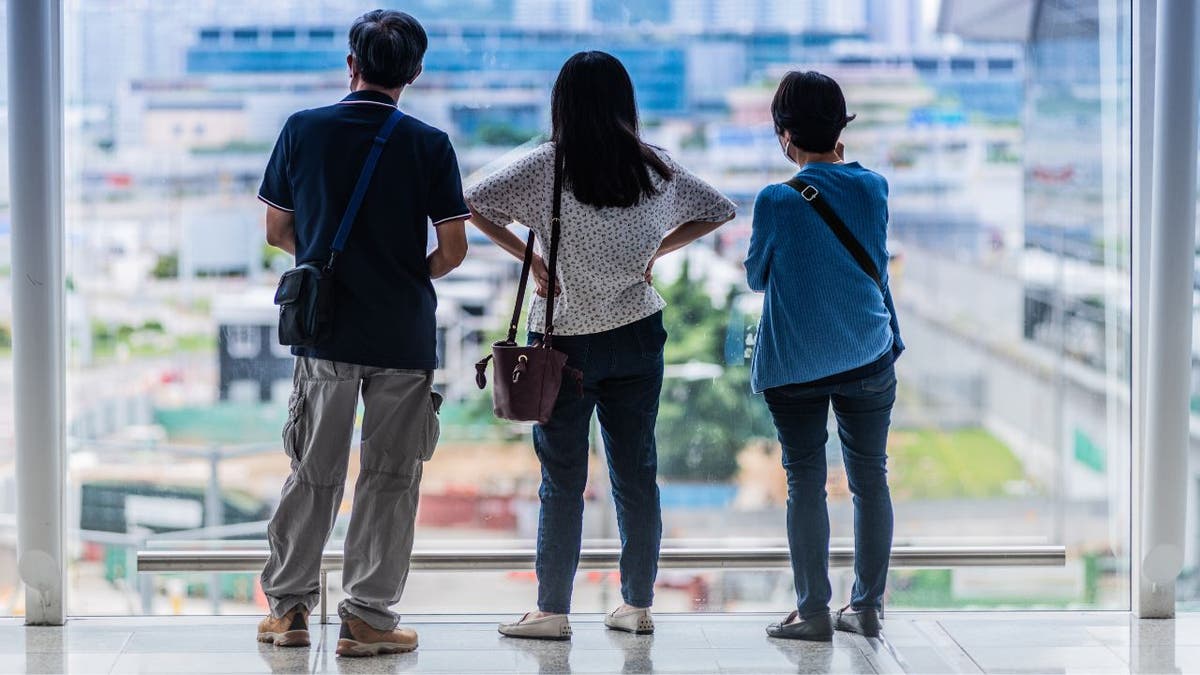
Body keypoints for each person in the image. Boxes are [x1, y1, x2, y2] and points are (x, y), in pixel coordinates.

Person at [466, 51, 735, 640]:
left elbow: (473, 202)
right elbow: (720, 209)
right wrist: (654, 254)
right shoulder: (656, 168)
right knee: (636, 475)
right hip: (639, 335)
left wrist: (533, 259)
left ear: (563, 104)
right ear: (624, 103)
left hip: (564, 342)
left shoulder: (544, 167)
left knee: (561, 480)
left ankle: (552, 613)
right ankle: (636, 605)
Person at [255, 10, 469, 657]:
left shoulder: (302, 130)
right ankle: (368, 619)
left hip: (325, 334)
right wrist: (405, 277)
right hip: (402, 337)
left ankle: (290, 610)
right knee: (390, 476)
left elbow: (277, 231)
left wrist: (323, 267)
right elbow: (453, 248)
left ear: (352, 64)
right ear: (415, 73)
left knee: (313, 470)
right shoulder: (430, 144)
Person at [745, 71, 903, 641]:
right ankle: (865, 608)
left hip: (795, 367)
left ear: (785, 136)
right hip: (868, 355)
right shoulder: (875, 187)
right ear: (841, 129)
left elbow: (757, 277)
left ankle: (813, 612)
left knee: (805, 480)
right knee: (869, 479)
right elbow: (877, 266)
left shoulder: (776, 199)